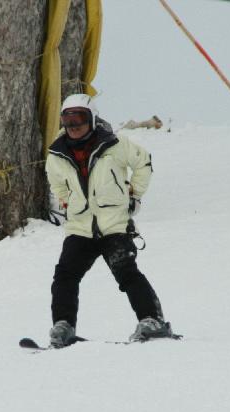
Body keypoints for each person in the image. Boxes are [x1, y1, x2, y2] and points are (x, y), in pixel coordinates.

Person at [44, 94, 173, 347]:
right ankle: (63, 326)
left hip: (113, 225)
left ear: (92, 119)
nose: (73, 125)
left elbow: (143, 162)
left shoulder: (114, 144)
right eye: (67, 119)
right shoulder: (57, 154)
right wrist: (70, 203)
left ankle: (152, 321)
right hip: (80, 227)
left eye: (79, 118)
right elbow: (56, 183)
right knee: (65, 276)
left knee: (127, 274)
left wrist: (134, 194)